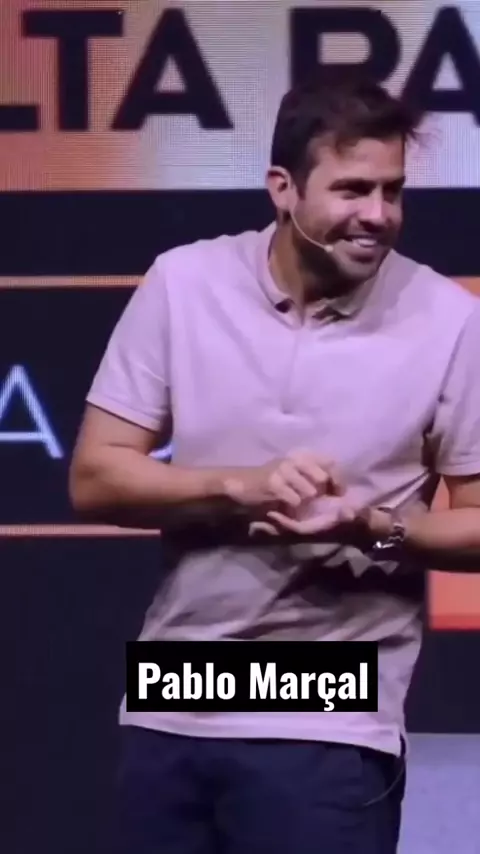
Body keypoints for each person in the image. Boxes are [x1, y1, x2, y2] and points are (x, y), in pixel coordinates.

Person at [69, 68, 480, 854]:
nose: (378, 215)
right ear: (282, 189)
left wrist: (369, 525)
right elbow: (96, 476)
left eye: (393, 191)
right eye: (353, 190)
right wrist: (238, 487)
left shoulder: (451, 322)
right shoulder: (184, 282)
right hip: (175, 701)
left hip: (332, 718)